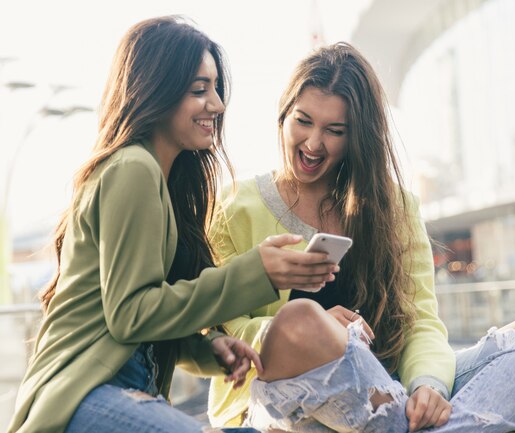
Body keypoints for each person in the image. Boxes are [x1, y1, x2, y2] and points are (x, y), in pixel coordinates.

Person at [207, 42, 515, 432]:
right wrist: (319, 337)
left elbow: (421, 320)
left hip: (390, 394)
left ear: (357, 138)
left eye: (335, 131)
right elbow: (225, 326)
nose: (314, 143)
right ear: (283, 115)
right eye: (303, 121)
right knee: (302, 321)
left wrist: (428, 385)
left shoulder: (394, 207)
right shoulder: (234, 205)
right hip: (284, 401)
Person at [7, 16, 339, 433]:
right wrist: (258, 271)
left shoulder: (163, 182)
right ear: (155, 90)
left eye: (216, 89)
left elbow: (137, 322)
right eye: (199, 89)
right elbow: (131, 315)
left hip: (125, 387)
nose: (216, 104)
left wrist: (207, 348)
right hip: (83, 392)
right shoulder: (132, 168)